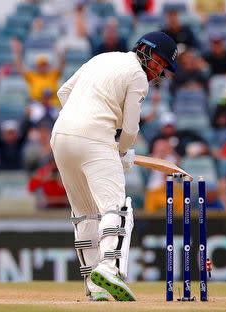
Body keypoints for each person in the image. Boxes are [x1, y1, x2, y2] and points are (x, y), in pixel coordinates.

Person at [50, 31, 178, 301]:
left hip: (60, 135)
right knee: (117, 207)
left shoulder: (102, 58)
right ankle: (110, 268)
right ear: (143, 48)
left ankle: (93, 284)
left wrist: (81, 121)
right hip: (95, 138)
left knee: (85, 213)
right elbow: (131, 130)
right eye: (157, 61)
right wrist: (120, 151)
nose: (157, 69)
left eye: (162, 66)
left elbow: (63, 92)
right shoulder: (138, 77)